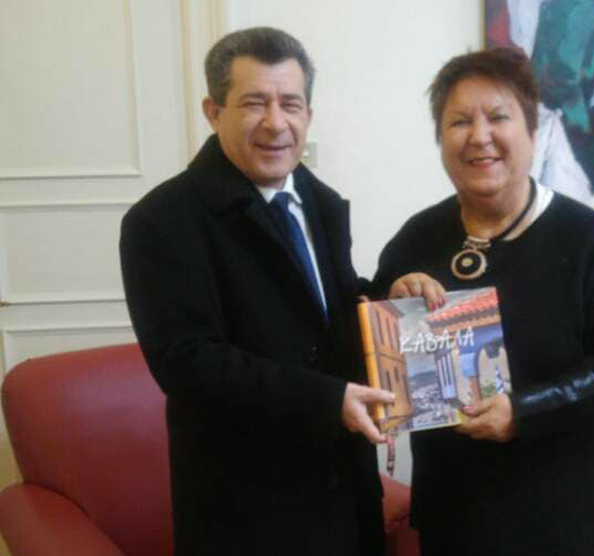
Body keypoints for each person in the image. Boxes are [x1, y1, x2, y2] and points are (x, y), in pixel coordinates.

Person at [120, 27, 438, 556]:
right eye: (254, 103)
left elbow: (323, 307)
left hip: (343, 492)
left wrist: (390, 299)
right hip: (247, 508)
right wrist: (328, 401)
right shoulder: (161, 221)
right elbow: (188, 362)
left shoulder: (321, 201)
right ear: (213, 111)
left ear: (308, 114)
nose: (275, 122)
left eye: (290, 104)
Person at [372, 47, 594, 556]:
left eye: (498, 117)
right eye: (459, 121)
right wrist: (392, 306)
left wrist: (523, 412)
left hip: (575, 512)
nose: (479, 136)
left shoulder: (586, 238)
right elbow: (381, 364)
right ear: (440, 139)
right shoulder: (416, 239)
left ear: (532, 132)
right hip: (458, 511)